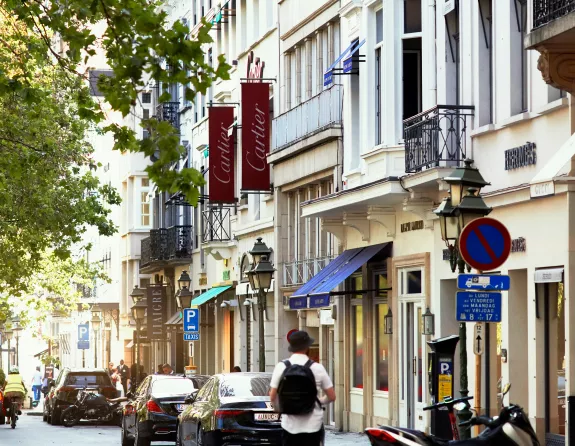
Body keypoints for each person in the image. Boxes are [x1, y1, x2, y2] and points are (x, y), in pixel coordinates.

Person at [270, 331, 336, 446]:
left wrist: (279, 408)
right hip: (313, 425)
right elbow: (332, 396)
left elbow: (272, 395)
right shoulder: (317, 368)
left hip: (289, 425)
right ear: (307, 347)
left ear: (291, 347)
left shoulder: (281, 367)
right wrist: (318, 401)